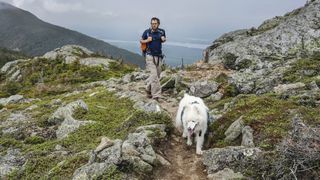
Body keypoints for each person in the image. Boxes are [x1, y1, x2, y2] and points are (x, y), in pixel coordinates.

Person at [140, 17, 166, 101]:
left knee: (157, 76)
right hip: (149, 56)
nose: (153, 25)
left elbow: (164, 39)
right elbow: (141, 40)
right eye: (152, 23)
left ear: (158, 24)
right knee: (154, 76)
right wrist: (147, 40)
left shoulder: (162, 31)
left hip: (158, 56)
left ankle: (148, 89)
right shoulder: (147, 32)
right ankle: (156, 95)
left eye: (155, 23)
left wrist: (164, 39)